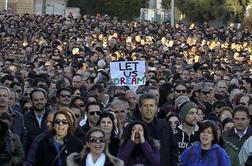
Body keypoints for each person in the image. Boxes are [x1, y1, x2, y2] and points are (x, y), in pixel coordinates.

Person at [138, 92, 178, 166]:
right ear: (140, 108)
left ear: (156, 108)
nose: (148, 109)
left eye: (151, 105)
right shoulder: (133, 127)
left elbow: (173, 149)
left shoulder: (165, 125)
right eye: (145, 106)